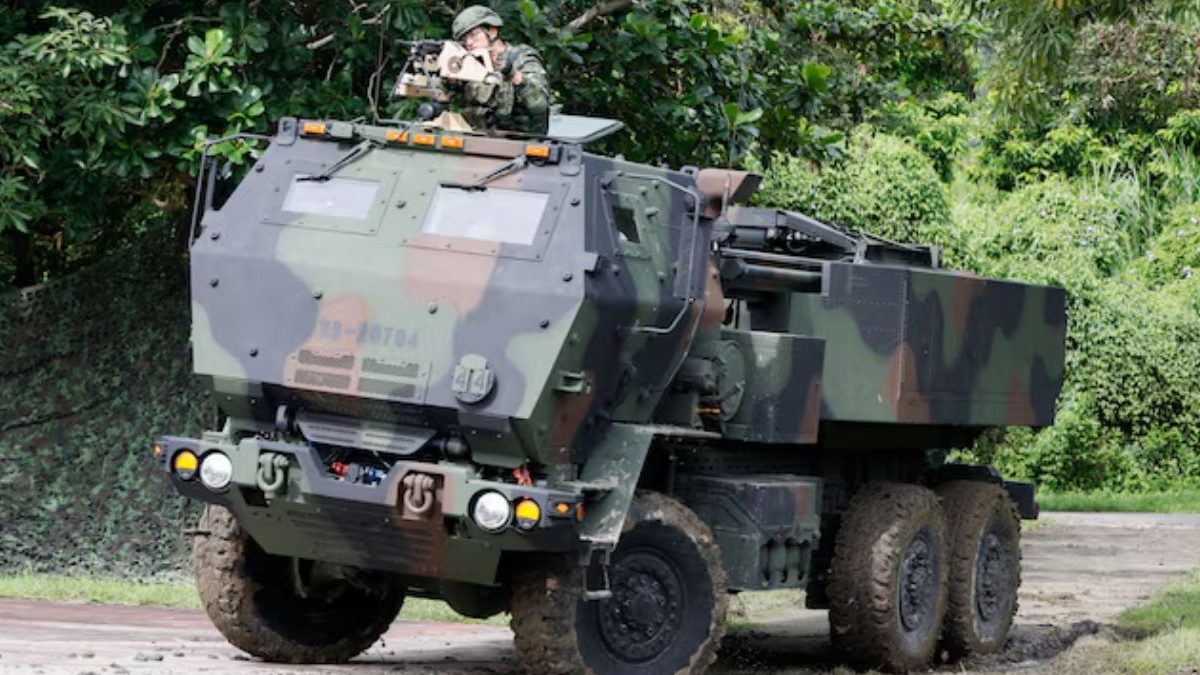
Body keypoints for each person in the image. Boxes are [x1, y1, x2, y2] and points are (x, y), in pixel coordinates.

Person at [449, 6, 550, 135]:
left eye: (473, 35)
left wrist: (513, 74)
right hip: (477, 139)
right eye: (464, 39)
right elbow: (444, 98)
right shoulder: (469, 64)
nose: (469, 42)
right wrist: (450, 82)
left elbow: (539, 105)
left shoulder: (521, 57)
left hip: (520, 141)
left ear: (492, 32)